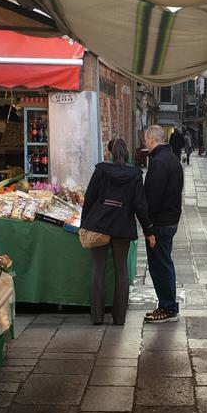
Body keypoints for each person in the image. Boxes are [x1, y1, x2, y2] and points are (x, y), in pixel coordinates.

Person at [80, 139, 156, 325]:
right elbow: (140, 205)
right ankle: (119, 317)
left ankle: (97, 316)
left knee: (97, 269)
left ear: (111, 154)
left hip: (99, 224)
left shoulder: (101, 170)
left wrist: (84, 223)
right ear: (127, 154)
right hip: (122, 226)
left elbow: (89, 198)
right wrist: (148, 229)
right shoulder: (135, 174)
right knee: (121, 270)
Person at [143, 124, 184, 323]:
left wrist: (148, 226)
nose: (145, 146)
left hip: (160, 222)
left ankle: (167, 307)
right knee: (163, 263)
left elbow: (153, 197)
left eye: (146, 142)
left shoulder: (159, 162)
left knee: (160, 266)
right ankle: (167, 305)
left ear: (152, 140)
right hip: (170, 219)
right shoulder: (172, 159)